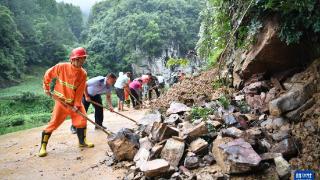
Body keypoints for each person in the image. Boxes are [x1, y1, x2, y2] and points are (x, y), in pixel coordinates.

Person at [39, 47, 93, 157]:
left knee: (82, 120)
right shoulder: (61, 67)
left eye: (83, 59)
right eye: (79, 59)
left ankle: (82, 142)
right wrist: (46, 87)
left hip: (73, 102)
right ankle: (43, 147)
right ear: (72, 59)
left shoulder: (83, 73)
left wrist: (77, 105)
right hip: (61, 102)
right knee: (54, 123)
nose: (81, 61)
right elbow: (48, 74)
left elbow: (80, 90)